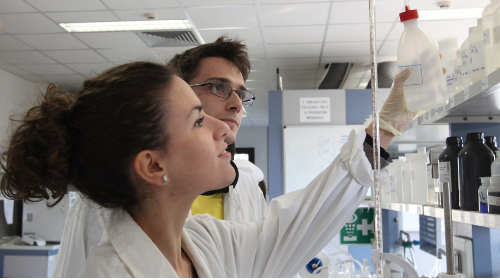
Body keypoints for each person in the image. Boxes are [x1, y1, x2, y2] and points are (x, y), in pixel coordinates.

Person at [0, 60, 416, 277]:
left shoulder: (205, 243)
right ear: (153, 164)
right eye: (199, 119)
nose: (224, 129)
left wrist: (383, 130)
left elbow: (300, 223)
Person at [52, 36, 267, 278]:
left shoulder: (246, 188)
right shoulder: (103, 203)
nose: (238, 104)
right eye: (218, 87)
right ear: (180, 92)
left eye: (241, 93)